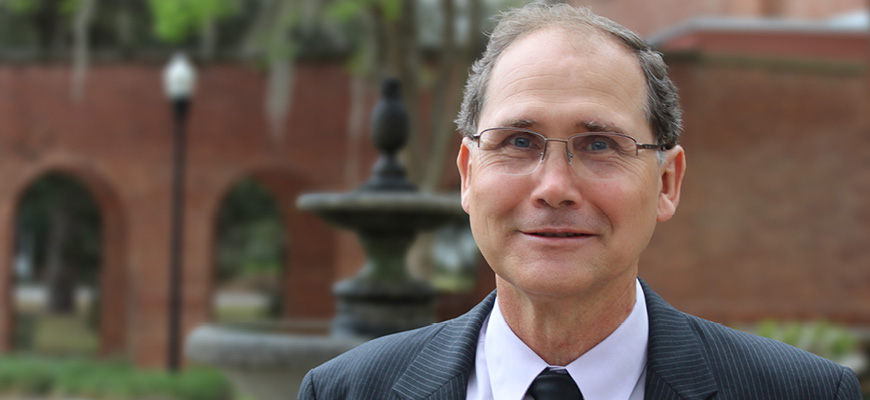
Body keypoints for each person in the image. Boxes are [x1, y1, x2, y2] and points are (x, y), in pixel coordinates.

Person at [298, 3, 863, 399]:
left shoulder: (803, 392)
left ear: (667, 183)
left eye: (600, 144)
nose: (554, 187)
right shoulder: (344, 391)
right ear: (468, 176)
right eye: (518, 142)